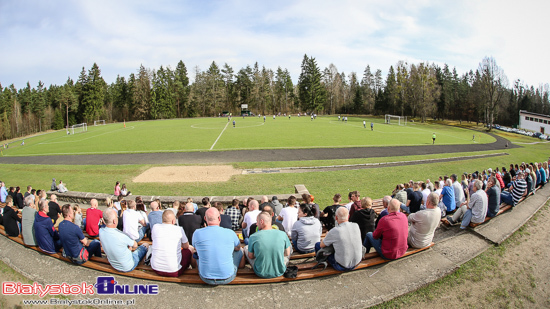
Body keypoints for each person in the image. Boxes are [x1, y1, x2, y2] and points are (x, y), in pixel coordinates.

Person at [192, 208, 245, 285]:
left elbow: (195, 248)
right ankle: (239, 266)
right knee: (240, 251)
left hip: (205, 277)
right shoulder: (230, 232)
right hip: (227, 276)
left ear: (205, 219)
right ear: (219, 218)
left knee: (196, 253)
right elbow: (237, 248)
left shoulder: (197, 233)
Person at [245, 212, 292, 278]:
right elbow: (287, 253)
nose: (256, 224)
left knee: (246, 248)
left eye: (257, 221)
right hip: (280, 271)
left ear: (261, 221)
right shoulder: (282, 234)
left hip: (260, 272)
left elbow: (251, 256)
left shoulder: (253, 237)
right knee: (289, 247)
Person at [151, 210, 192, 277]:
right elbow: (186, 246)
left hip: (156, 268)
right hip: (174, 271)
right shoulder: (179, 229)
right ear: (173, 221)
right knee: (188, 251)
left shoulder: (155, 227)